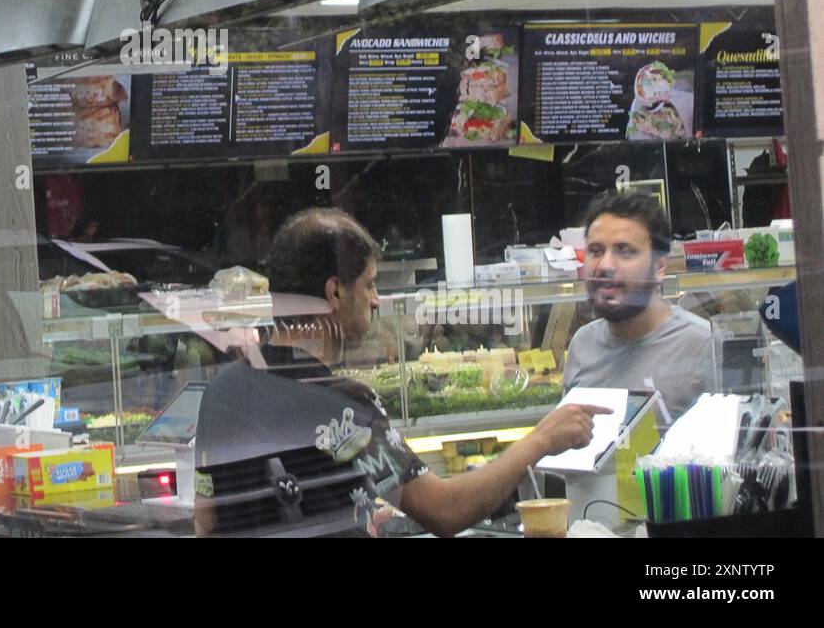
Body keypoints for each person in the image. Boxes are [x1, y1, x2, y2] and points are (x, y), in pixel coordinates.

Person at [193, 208, 609, 538]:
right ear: (334, 292)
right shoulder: (344, 406)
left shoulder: (220, 391)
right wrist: (541, 440)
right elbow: (446, 512)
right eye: (370, 284)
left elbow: (206, 523)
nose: (376, 300)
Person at [563, 190, 716, 420]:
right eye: (595, 251)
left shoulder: (703, 346)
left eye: (624, 251)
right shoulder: (582, 346)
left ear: (659, 267)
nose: (605, 265)